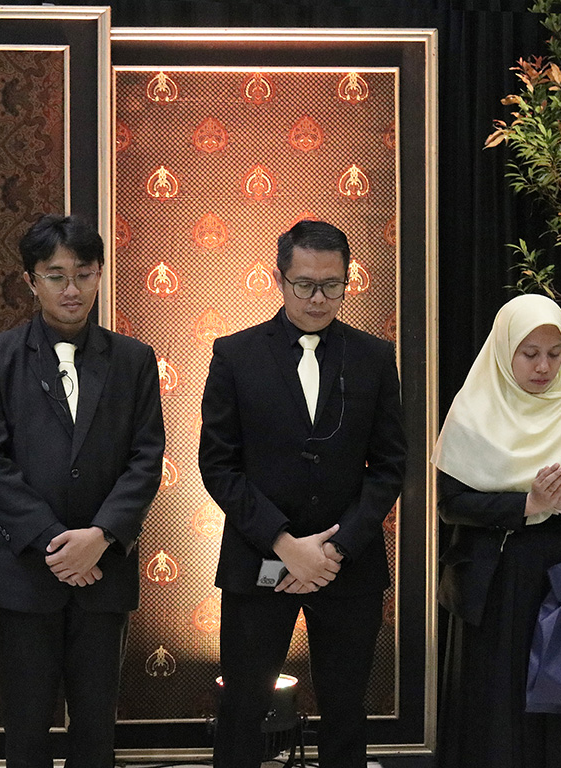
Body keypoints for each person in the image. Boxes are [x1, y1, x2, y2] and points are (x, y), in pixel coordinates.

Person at [199, 219, 406, 768]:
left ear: (346, 280)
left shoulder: (374, 357)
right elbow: (218, 466)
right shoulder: (235, 354)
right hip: (258, 561)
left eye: (332, 285)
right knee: (242, 709)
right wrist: (285, 544)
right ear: (279, 279)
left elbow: (389, 467)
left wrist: (335, 550)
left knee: (346, 710)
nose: (319, 298)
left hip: (349, 566)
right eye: (305, 284)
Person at [0, 214, 165, 767]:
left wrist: (99, 537)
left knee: (96, 725)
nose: (71, 289)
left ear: (100, 274)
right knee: (26, 724)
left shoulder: (133, 359)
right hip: (25, 569)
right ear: (31, 281)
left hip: (105, 567)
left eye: (84, 273)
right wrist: (55, 542)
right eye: (55, 276)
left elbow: (146, 458)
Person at [432, 293, 561, 768]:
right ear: (504, 350)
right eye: (530, 353)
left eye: (554, 354)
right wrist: (528, 504)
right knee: (498, 709)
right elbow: (450, 504)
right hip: (497, 583)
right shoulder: (472, 412)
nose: (543, 367)